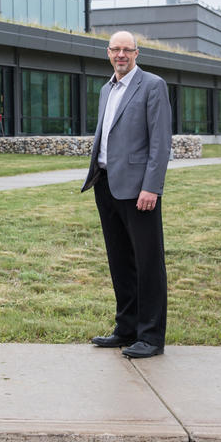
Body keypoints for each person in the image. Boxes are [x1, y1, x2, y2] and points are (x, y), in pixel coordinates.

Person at [81, 31, 172, 359]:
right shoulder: (107, 88)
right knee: (120, 262)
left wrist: (152, 186)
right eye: (115, 49)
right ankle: (126, 329)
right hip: (106, 184)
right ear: (108, 53)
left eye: (127, 50)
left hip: (138, 189)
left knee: (147, 262)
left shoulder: (152, 85)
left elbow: (160, 142)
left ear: (136, 52)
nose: (121, 54)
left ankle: (150, 336)